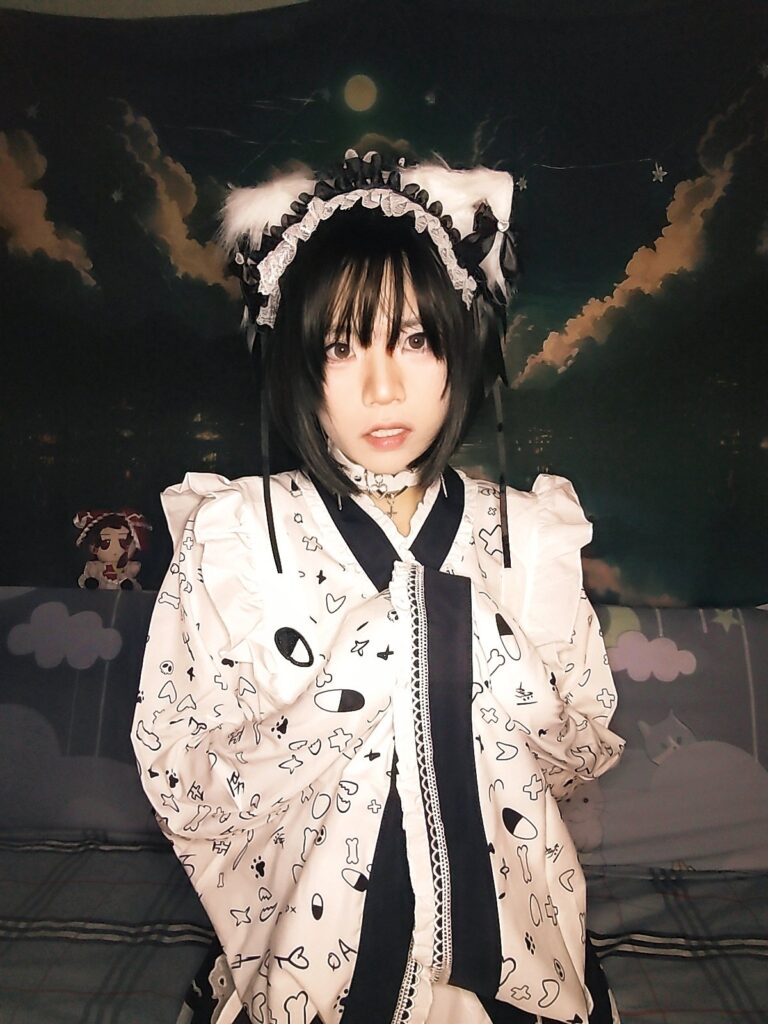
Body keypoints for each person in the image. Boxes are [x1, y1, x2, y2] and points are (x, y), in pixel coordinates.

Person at [132, 152, 624, 1024]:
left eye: (416, 340)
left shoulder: (529, 535)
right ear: (298, 361)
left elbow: (577, 756)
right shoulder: (234, 537)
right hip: (307, 976)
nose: (383, 386)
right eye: (341, 346)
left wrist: (472, 637)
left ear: (460, 347)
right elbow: (184, 779)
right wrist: (368, 662)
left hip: (513, 971)